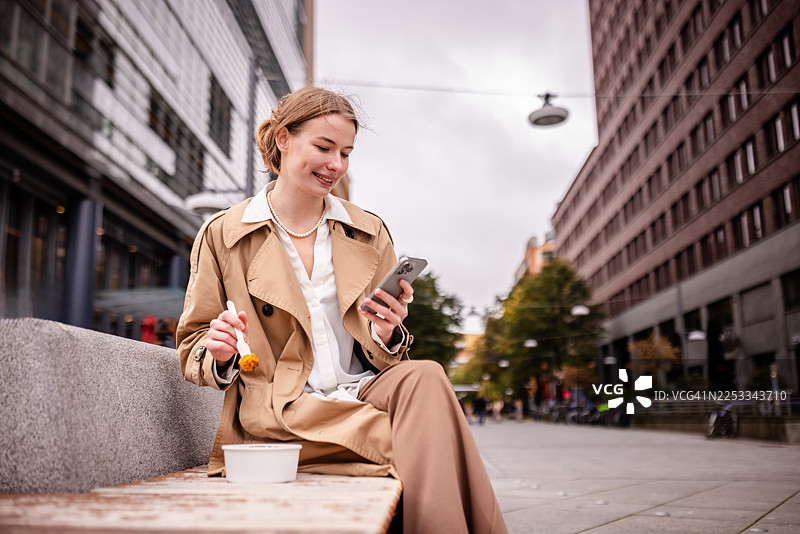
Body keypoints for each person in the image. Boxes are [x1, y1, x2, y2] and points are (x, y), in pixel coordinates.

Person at [177, 86, 507, 534]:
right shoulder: (224, 234)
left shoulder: (368, 231)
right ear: (283, 139)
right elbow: (192, 344)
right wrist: (219, 353)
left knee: (427, 375)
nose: (336, 164)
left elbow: (388, 358)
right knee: (432, 442)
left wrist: (389, 333)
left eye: (346, 153)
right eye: (324, 147)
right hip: (284, 407)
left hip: (362, 392)